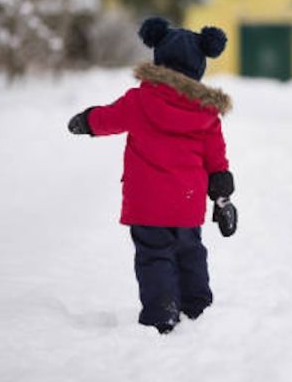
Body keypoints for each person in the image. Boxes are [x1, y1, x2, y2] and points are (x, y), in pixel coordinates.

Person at [67, 17, 238, 334]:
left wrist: (86, 121)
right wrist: (222, 192)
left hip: (147, 202)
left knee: (154, 256)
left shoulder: (140, 100)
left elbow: (109, 119)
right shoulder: (206, 112)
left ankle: (162, 312)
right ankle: (197, 306)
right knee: (190, 252)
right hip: (187, 203)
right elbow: (216, 156)